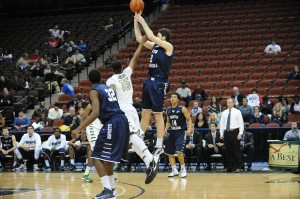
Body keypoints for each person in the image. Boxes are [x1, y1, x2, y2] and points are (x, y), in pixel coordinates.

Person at [106, 35, 159, 184]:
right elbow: (135, 59)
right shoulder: (127, 73)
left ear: (112, 70)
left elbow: (111, 93)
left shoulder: (111, 80)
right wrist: (141, 44)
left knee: (131, 138)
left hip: (122, 109)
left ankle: (152, 159)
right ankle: (149, 163)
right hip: (132, 109)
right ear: (122, 68)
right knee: (132, 141)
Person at [71, 69, 129, 199]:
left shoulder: (94, 91)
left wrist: (79, 128)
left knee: (96, 155)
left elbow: (95, 112)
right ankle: (112, 190)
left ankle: (107, 189)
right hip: (122, 120)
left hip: (112, 122)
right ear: (100, 78)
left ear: (89, 81)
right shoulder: (107, 88)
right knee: (107, 159)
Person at [135, 12, 173, 158]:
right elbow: (140, 39)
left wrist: (143, 21)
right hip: (149, 81)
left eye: (158, 35)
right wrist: (135, 22)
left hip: (159, 82)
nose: (156, 36)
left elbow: (150, 36)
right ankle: (138, 140)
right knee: (145, 113)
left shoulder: (168, 47)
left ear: (163, 37)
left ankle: (159, 144)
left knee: (157, 114)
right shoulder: (155, 47)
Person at [164, 93, 193, 178]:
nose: (172, 98)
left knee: (179, 151)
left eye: (174, 97)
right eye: (171, 97)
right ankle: (174, 170)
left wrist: (189, 129)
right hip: (172, 132)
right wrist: (166, 129)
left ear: (178, 100)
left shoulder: (182, 109)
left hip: (181, 132)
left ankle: (183, 169)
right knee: (170, 153)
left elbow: (189, 119)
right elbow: (168, 121)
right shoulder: (168, 110)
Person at [220, 98, 244, 173]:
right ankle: (229, 167)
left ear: (233, 103)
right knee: (228, 151)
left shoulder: (238, 112)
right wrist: (221, 133)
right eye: (228, 102)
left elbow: (241, 123)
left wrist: (240, 133)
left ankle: (238, 167)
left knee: (236, 150)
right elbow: (222, 124)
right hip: (226, 132)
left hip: (235, 132)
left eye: (230, 102)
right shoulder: (224, 112)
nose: (229, 104)